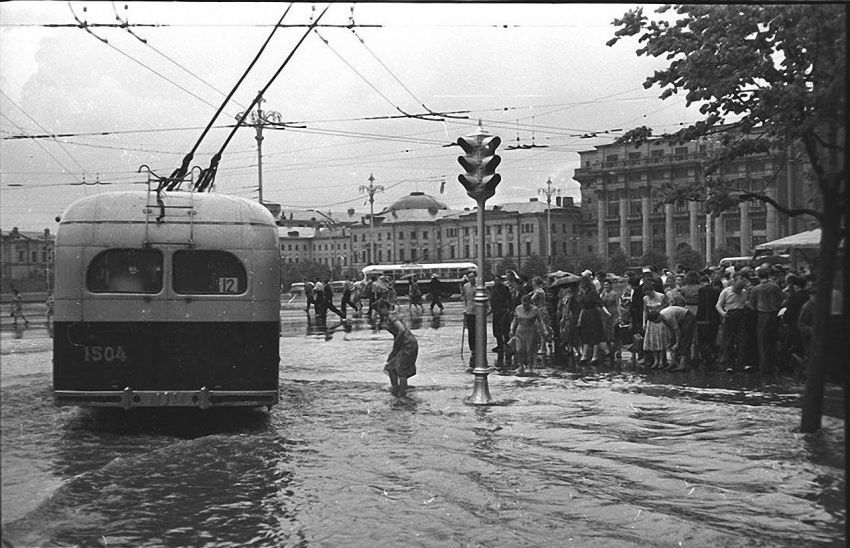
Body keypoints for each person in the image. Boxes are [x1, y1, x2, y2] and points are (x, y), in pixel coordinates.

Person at [375, 298, 418, 397]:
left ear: (385, 307)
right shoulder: (391, 315)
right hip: (405, 344)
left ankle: (402, 394)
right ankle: (396, 389)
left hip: (408, 345)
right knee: (391, 367)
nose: (379, 314)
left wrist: (396, 345)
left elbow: (402, 330)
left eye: (379, 311)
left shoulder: (391, 316)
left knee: (401, 370)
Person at [748, 267, 783, 373]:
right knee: (773, 341)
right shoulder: (775, 287)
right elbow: (782, 299)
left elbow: (752, 305)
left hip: (762, 316)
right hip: (775, 315)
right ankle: (774, 365)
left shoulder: (756, 289)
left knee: (763, 342)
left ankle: (764, 367)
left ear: (758, 277)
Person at [715, 274, 753, 372]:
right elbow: (718, 305)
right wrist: (723, 314)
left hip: (741, 314)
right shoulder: (725, 292)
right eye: (737, 288)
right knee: (728, 340)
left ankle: (743, 363)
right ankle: (729, 364)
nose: (739, 290)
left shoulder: (743, 292)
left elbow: (745, 303)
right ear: (733, 283)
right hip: (730, 315)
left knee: (742, 340)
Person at [509, 293, 547, 376]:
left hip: (531, 330)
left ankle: (529, 366)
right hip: (520, 330)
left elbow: (540, 321)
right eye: (523, 304)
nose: (525, 306)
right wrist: (512, 329)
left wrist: (544, 330)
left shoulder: (535, 309)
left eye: (526, 304)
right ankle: (521, 365)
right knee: (519, 349)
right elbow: (515, 320)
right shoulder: (518, 308)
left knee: (529, 349)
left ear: (530, 303)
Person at [577, 276, 608, 365]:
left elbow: (600, 303)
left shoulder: (592, 292)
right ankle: (585, 356)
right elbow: (582, 307)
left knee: (594, 334)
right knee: (585, 334)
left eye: (582, 283)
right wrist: (580, 318)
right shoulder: (584, 293)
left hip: (593, 314)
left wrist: (606, 312)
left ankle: (595, 356)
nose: (580, 285)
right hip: (585, 315)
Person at [660, 305, 696, 371]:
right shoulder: (663, 317)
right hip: (680, 320)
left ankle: (682, 365)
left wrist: (677, 343)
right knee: (674, 342)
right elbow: (671, 330)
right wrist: (672, 341)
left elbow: (677, 331)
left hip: (688, 317)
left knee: (685, 340)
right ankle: (673, 362)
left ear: (658, 317)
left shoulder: (667, 317)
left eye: (656, 321)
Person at [643, 283, 671, 369]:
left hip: (660, 320)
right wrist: (644, 322)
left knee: (661, 340)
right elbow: (645, 310)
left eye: (650, 293)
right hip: (651, 321)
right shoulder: (645, 298)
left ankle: (662, 360)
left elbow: (668, 305)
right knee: (653, 341)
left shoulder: (661, 296)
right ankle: (656, 360)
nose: (649, 295)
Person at [489, 274, 513, 369]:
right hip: (495, 311)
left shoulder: (504, 288)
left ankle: (507, 345)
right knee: (496, 329)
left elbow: (509, 299)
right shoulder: (493, 288)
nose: (496, 282)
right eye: (495, 280)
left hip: (503, 311)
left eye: (498, 280)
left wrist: (509, 309)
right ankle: (499, 345)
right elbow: (492, 299)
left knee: (504, 329)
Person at [599, 278, 620, 362]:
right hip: (605, 315)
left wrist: (619, 315)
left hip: (613, 313)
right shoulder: (603, 294)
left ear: (610, 285)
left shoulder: (614, 294)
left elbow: (618, 305)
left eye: (607, 285)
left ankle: (617, 351)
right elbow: (601, 304)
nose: (605, 286)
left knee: (614, 333)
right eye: (604, 285)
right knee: (606, 334)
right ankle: (610, 352)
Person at [461, 271, 478, 369]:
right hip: (469, 312)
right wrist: (465, 308)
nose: (472, 279)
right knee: (471, 332)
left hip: (478, 312)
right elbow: (465, 298)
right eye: (470, 277)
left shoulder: (479, 286)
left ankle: (479, 348)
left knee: (479, 331)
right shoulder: (465, 287)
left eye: (473, 277)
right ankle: (473, 349)